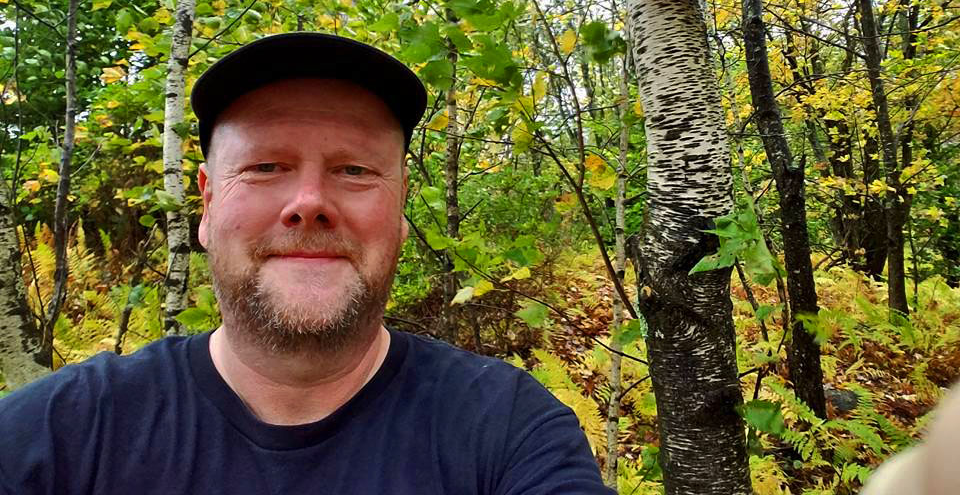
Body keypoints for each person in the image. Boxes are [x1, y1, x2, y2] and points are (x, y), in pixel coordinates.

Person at [0, 33, 613, 494]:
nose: (310, 204)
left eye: (354, 170)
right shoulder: (55, 437)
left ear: (399, 210)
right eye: (266, 166)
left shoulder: (510, 433)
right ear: (208, 207)